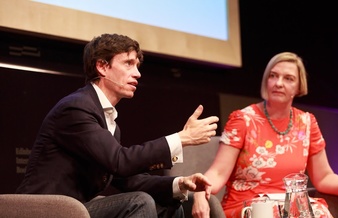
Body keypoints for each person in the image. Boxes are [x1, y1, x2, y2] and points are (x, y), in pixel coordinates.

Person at [16, 33, 220, 218]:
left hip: (75, 208)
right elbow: (120, 161)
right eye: (128, 64)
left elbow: (126, 179)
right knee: (139, 201)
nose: (137, 73)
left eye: (137, 65)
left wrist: (179, 183)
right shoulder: (76, 108)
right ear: (102, 67)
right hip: (46, 210)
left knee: (170, 204)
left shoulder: (107, 120)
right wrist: (181, 138)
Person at [191, 52, 338, 218]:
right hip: (248, 206)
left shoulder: (307, 122)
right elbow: (217, 173)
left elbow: (323, 176)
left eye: (288, 78)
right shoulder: (243, 119)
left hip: (290, 208)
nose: (279, 83)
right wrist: (200, 192)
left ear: (299, 87)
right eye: (273, 76)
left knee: (318, 212)